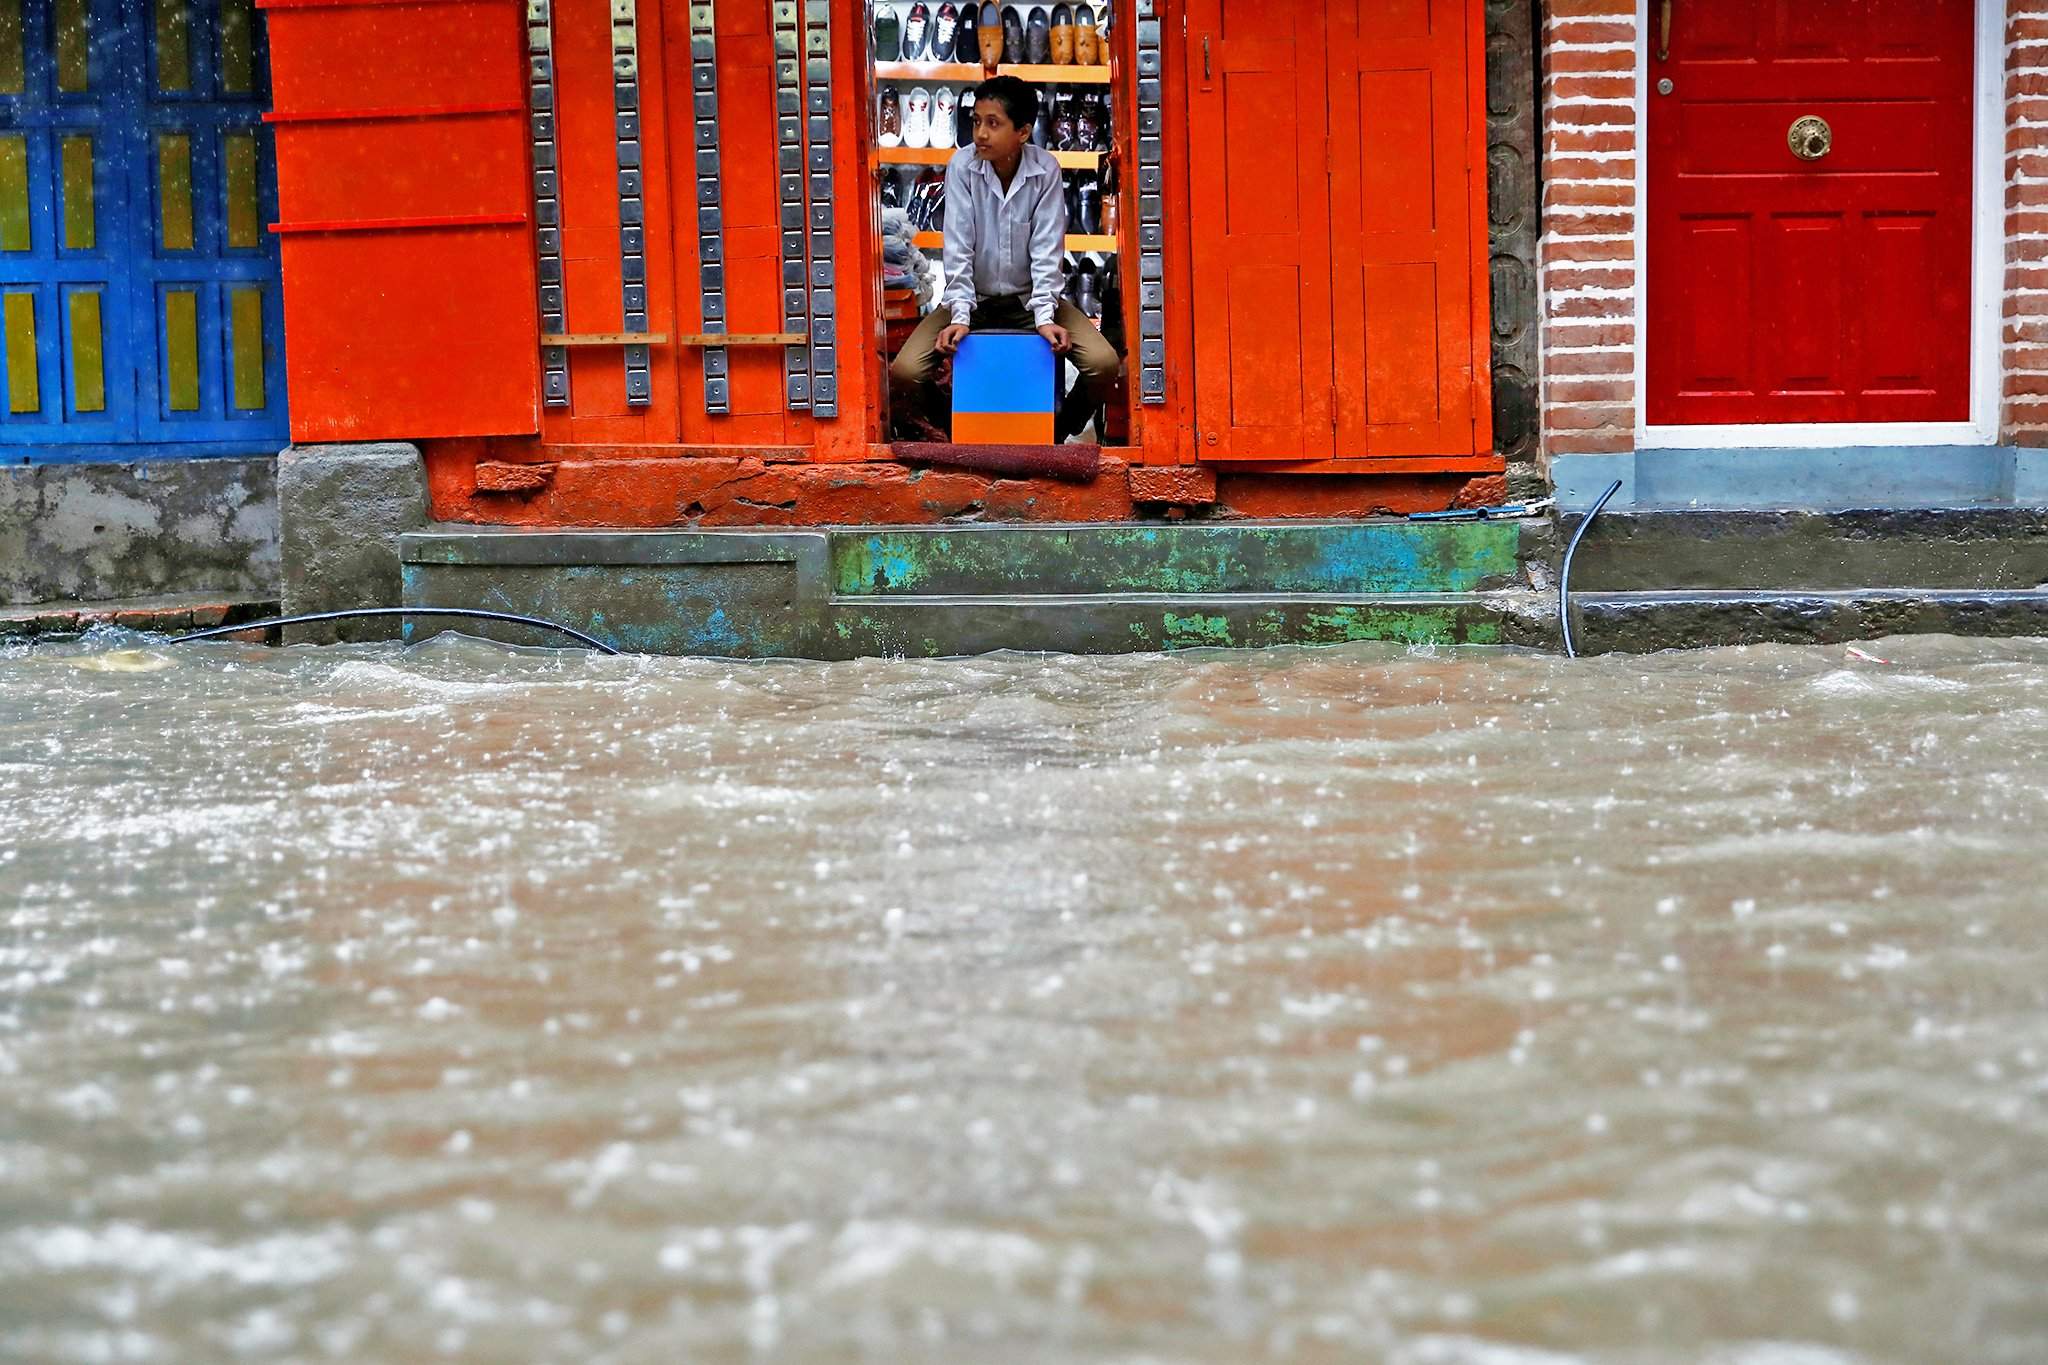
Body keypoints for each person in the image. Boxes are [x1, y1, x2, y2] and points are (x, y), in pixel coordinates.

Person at [888, 74, 1119, 443]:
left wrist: (1044, 316)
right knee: (905, 372)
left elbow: (1047, 254)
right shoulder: (962, 166)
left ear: (1023, 132)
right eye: (976, 121)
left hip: (1029, 300)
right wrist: (960, 315)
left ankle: (1058, 430)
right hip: (973, 299)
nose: (980, 133)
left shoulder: (1045, 171)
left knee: (1103, 364)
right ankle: (957, 429)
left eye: (993, 124)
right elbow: (958, 249)